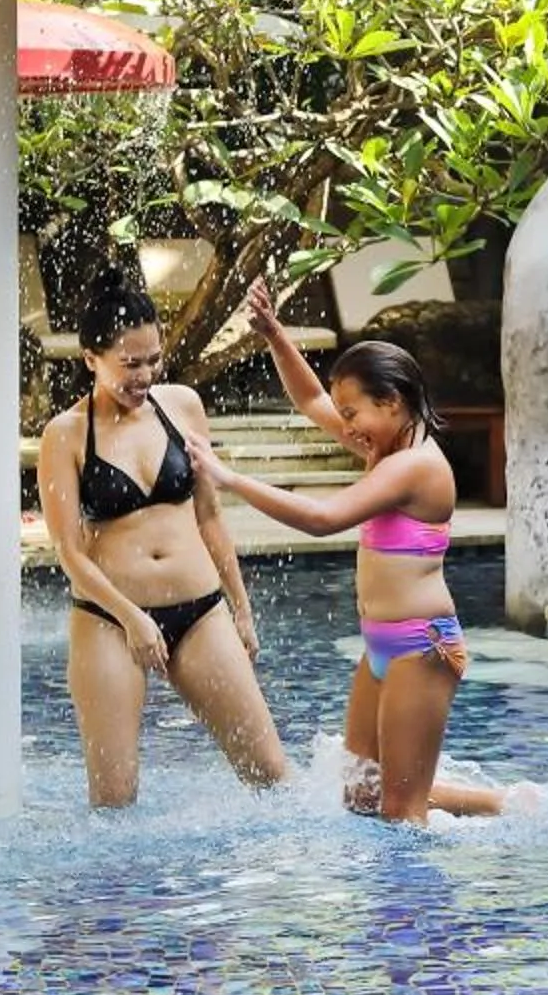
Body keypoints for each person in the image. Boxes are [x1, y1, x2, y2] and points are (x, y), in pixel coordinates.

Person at [208, 278, 516, 825]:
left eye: (352, 414)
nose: (345, 426)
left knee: (401, 813)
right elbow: (309, 400)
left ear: (392, 402)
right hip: (382, 647)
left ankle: (413, 910)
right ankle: (502, 805)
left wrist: (230, 479)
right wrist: (275, 335)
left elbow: (324, 520)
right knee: (363, 796)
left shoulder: (415, 466)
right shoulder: (386, 441)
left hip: (422, 648)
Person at [37, 261, 289, 808]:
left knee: (271, 774)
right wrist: (133, 617)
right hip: (111, 619)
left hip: (199, 610)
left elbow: (210, 517)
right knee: (115, 799)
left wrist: (241, 608)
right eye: (129, 364)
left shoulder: (182, 407)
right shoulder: (66, 435)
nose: (144, 376)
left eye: (154, 360)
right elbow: (69, 553)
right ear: (91, 360)